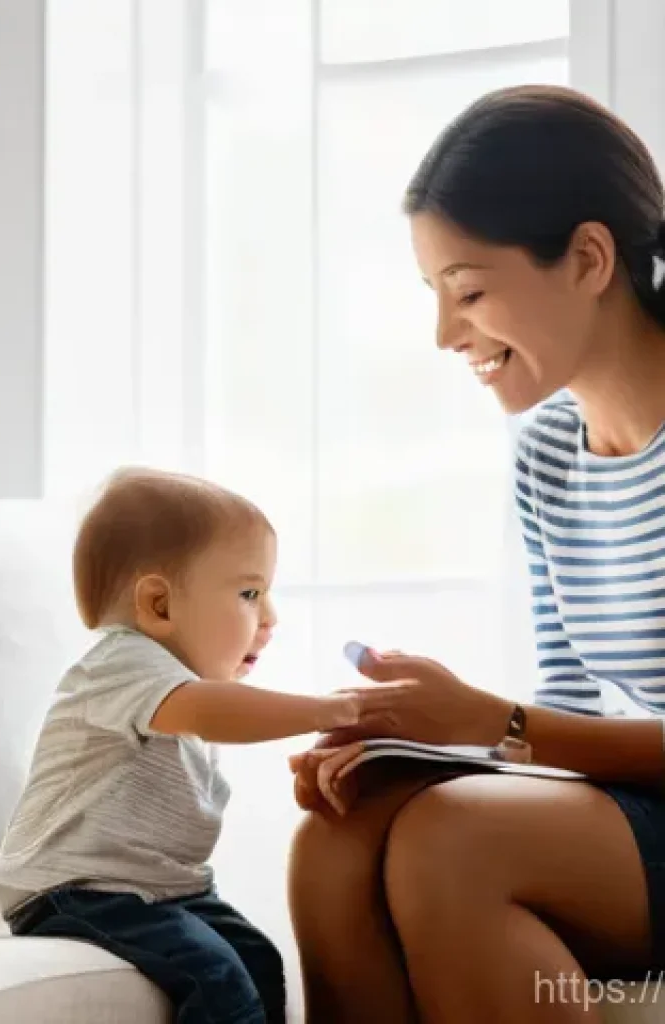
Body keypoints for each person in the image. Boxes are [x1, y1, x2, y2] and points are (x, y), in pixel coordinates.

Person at [287, 83, 665, 1024]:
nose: (447, 334)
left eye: (471, 291)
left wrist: (490, 722)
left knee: (454, 842)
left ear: (587, 258)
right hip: (641, 811)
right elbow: (575, 713)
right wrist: (413, 740)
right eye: (435, 296)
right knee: (339, 833)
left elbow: (537, 728)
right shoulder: (545, 454)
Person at [0, 467, 359, 1024]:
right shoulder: (125, 662)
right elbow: (216, 714)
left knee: (259, 957)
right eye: (250, 593)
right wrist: (323, 710)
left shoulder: (168, 679)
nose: (270, 618)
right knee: (213, 974)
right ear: (159, 605)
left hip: (157, 889)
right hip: (74, 888)